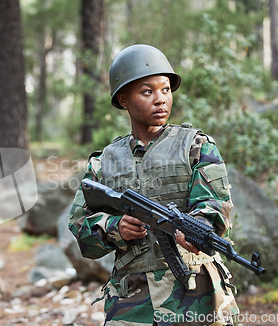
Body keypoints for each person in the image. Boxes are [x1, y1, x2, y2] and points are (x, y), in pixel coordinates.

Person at [67, 44, 239, 326]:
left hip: (198, 295)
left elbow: (215, 205)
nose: (160, 100)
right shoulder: (103, 162)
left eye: (166, 90)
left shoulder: (196, 146)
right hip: (132, 302)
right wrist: (116, 228)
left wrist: (198, 226)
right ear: (123, 99)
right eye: (147, 92)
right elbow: (80, 228)